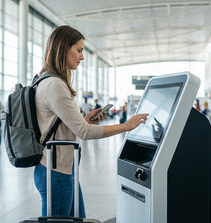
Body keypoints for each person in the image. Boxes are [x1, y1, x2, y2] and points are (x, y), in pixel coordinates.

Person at [34, 25, 148, 217]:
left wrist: (84, 120)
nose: (82, 57)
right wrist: (127, 126)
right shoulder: (55, 85)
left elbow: (56, 123)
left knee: (78, 218)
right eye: (78, 50)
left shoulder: (43, 80)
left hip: (57, 167)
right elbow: (84, 133)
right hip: (56, 172)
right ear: (63, 49)